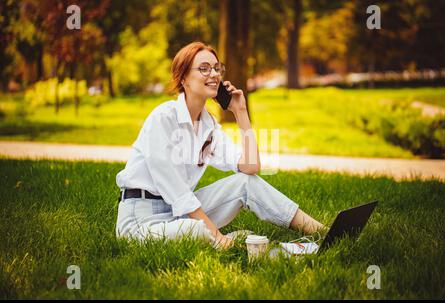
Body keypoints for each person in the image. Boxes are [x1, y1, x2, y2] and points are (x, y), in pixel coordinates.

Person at [115, 42, 325, 250]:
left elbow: (251, 167)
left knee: (246, 183)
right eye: (204, 69)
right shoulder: (163, 118)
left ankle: (322, 232)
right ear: (184, 77)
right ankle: (222, 238)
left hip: (178, 212)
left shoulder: (208, 126)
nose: (214, 74)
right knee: (196, 231)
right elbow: (178, 193)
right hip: (140, 220)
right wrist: (218, 237)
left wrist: (240, 112)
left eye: (217, 68)